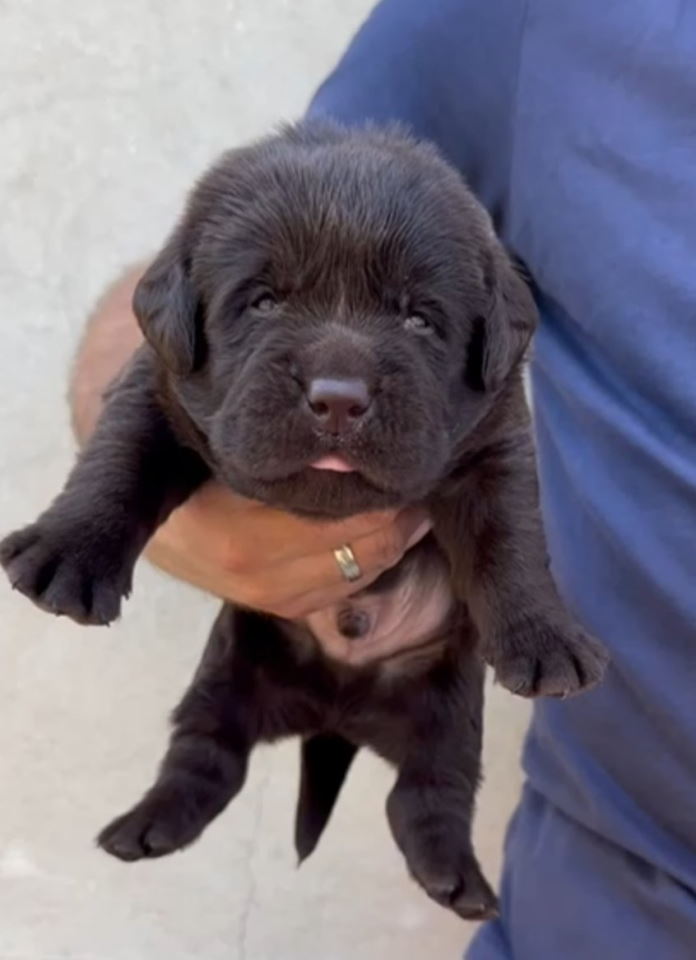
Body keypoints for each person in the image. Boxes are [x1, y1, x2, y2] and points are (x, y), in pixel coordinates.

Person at [70, 2, 696, 956]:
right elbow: (208, 268)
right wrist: (148, 494)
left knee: (438, 752)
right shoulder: (536, 18)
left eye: (415, 319)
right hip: (619, 904)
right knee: (219, 717)